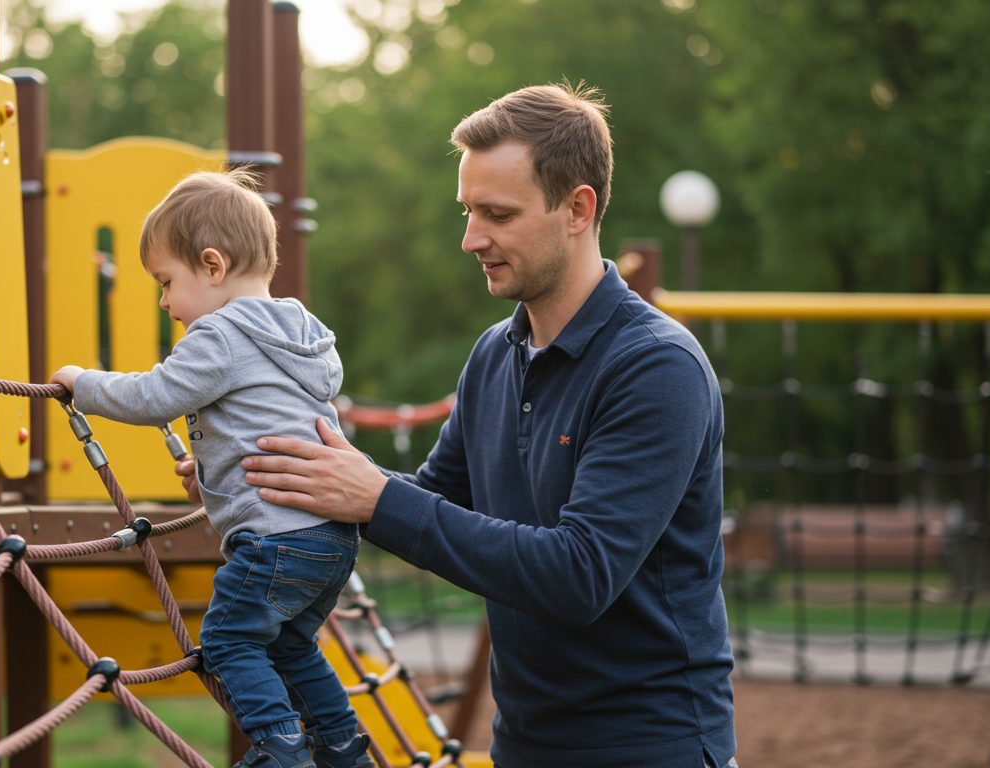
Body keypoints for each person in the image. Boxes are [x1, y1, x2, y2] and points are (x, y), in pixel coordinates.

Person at [206, 84, 738, 767]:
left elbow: (579, 574)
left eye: (497, 214)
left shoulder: (656, 368)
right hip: (523, 745)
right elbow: (432, 497)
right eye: (468, 211)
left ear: (578, 208)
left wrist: (372, 495)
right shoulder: (496, 354)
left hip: (649, 748)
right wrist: (272, 471)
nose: (471, 238)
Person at [51, 170, 373, 768]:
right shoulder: (299, 331)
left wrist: (82, 384)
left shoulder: (221, 333)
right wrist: (217, 474)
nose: (166, 302)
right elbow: (270, 422)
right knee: (294, 647)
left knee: (227, 640)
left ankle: (279, 749)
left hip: (274, 542)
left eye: (167, 282)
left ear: (213, 266)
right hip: (332, 537)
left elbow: (153, 397)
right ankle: (341, 745)